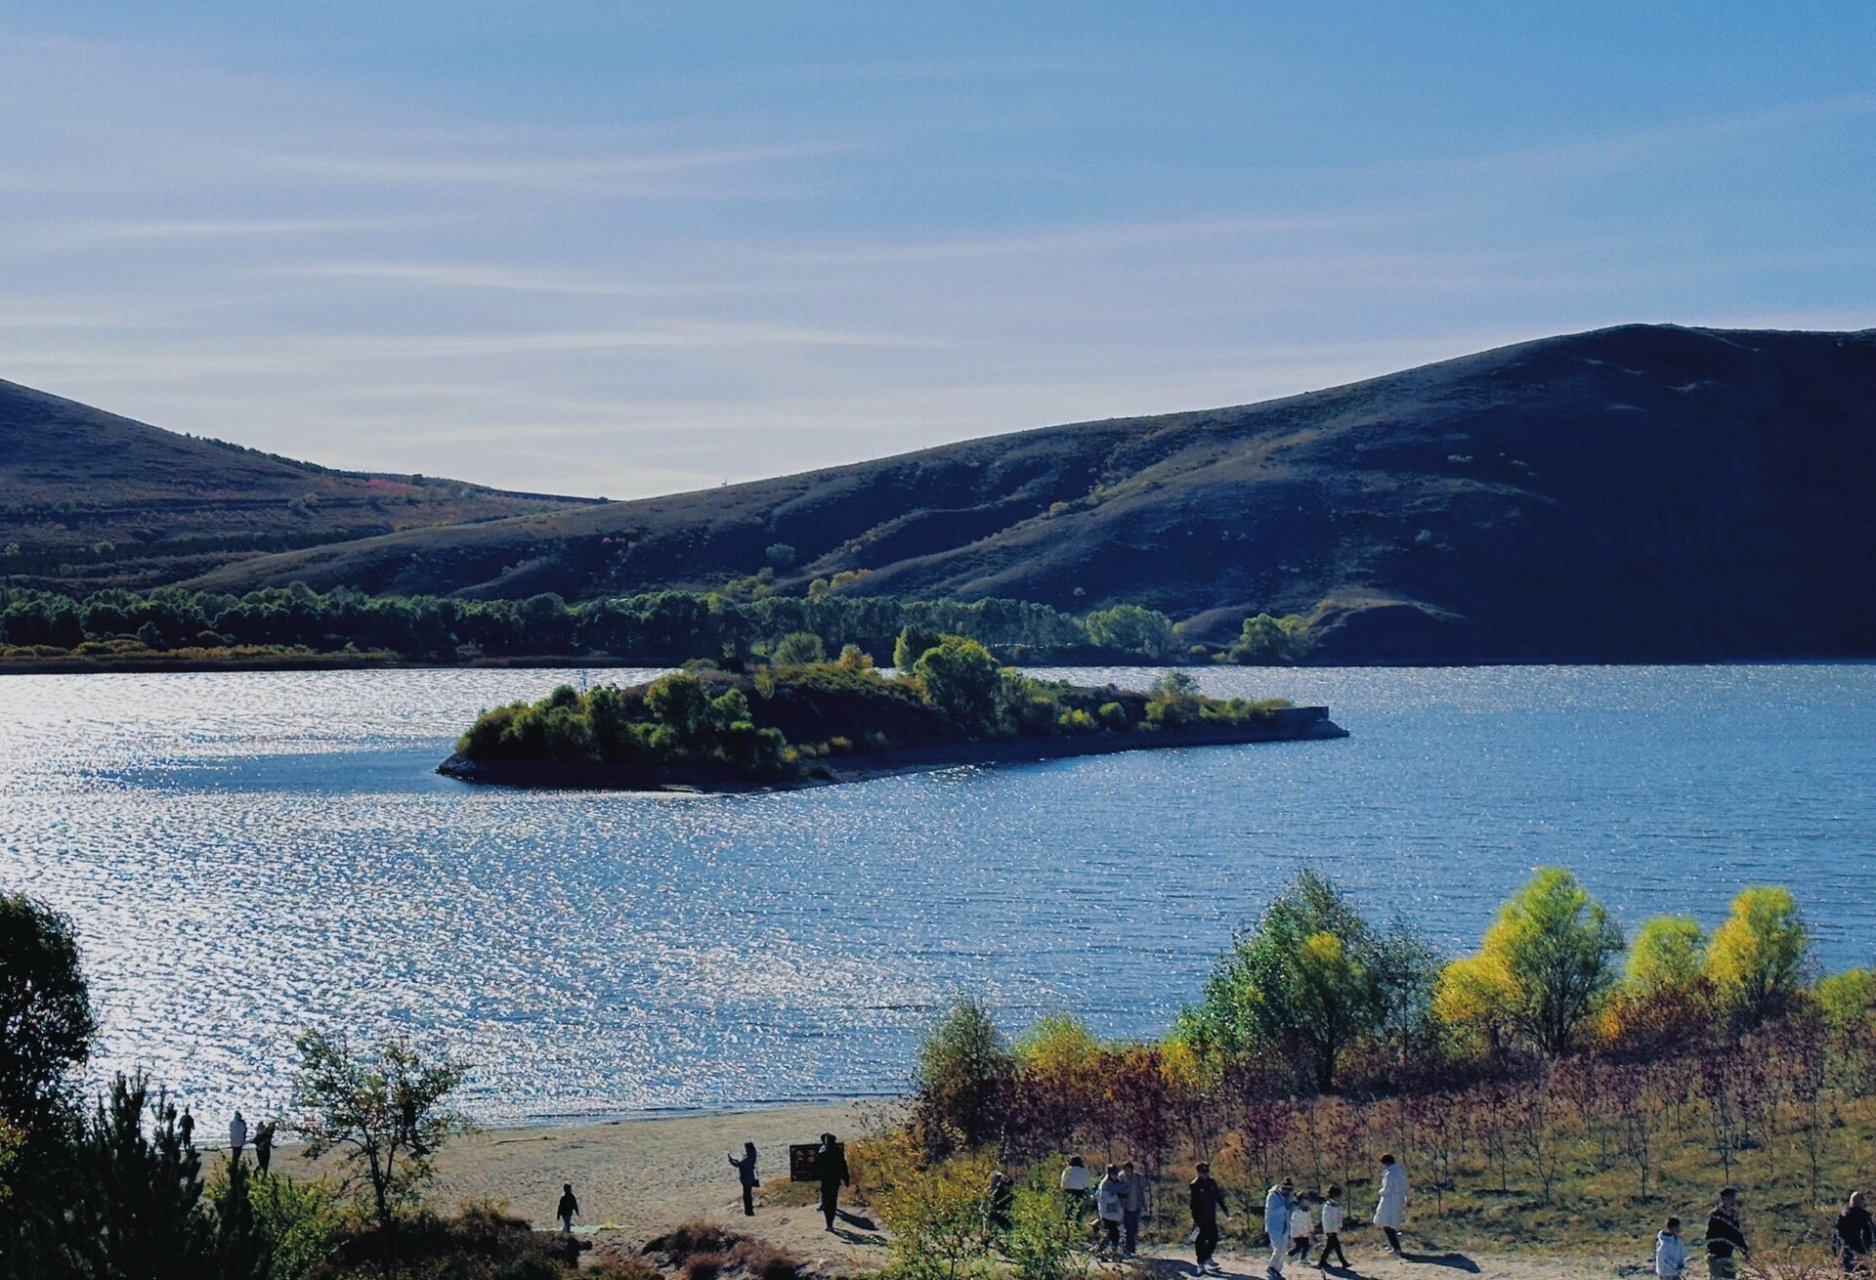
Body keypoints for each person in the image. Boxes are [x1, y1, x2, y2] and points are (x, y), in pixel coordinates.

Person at [1190, 1161, 1228, 1276]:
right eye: (1203, 1172)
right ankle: (1200, 1264)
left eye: (1207, 1172)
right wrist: (1196, 1220)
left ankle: (1206, 1258)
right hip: (1200, 1218)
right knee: (1200, 1241)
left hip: (1211, 1217)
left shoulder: (1211, 1183)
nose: (1206, 1174)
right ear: (1198, 1172)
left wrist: (1226, 1212)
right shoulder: (1195, 1185)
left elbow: (1218, 1198)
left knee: (1214, 1238)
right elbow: (1193, 1205)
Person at [1705, 1187, 1749, 1279]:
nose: (1732, 1200)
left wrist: (1744, 1250)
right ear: (1724, 1199)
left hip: (1728, 1254)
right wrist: (1710, 1251)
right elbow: (1710, 1235)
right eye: (1730, 1197)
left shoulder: (1734, 1215)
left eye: (1733, 1197)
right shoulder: (1716, 1215)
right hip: (1716, 1255)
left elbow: (1737, 1234)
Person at [813, 1132, 850, 1232]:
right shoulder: (838, 1152)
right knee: (833, 1200)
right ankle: (830, 1223)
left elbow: (816, 1167)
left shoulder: (822, 1152)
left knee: (826, 1201)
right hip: (835, 1180)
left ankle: (829, 1223)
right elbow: (843, 1166)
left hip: (825, 1180)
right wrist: (846, 1179)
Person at [1374, 1154, 1408, 1257]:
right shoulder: (1400, 1172)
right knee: (1392, 1225)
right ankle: (1392, 1246)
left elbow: (1387, 1189)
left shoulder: (1389, 1174)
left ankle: (1396, 1248)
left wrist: (1380, 1192)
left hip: (1389, 1202)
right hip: (1399, 1201)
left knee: (1387, 1225)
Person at [1836, 1192, 1874, 1275]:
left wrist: (1838, 1251)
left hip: (1846, 1253)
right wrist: (1869, 1249)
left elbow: (1837, 1235)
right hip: (1861, 1252)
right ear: (1860, 1201)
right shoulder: (1865, 1217)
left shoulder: (1843, 1216)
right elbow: (1870, 1234)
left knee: (1848, 1273)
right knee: (1863, 1274)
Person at [1265, 1178, 1294, 1278]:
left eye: (1289, 1189)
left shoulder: (1289, 1196)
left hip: (1285, 1226)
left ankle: (1277, 1270)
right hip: (1274, 1226)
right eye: (1285, 1188)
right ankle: (1271, 1267)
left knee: (1283, 1250)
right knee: (1278, 1249)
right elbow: (1273, 1211)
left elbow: (1291, 1210)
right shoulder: (1272, 1196)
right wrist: (1286, 1206)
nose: (1287, 1191)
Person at [1316, 1184, 1349, 1270]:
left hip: (1334, 1229)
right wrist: (1328, 1230)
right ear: (1334, 1195)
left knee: (1330, 1246)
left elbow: (1339, 1217)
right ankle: (1343, 1262)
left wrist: (1339, 1226)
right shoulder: (1328, 1207)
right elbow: (1326, 1220)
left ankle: (1322, 1262)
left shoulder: (1337, 1206)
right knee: (1336, 1246)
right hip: (1330, 1230)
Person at [1097, 1164, 1125, 1256]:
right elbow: (1108, 1199)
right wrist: (1118, 1195)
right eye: (1114, 1173)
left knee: (1113, 1234)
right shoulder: (1105, 1184)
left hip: (1114, 1213)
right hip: (1106, 1213)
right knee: (1112, 1234)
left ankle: (1111, 1251)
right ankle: (1101, 1250)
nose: (1115, 1175)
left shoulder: (1116, 1182)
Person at [1121, 1160, 1147, 1257]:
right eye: (1125, 1170)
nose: (1127, 1172)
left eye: (1129, 1170)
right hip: (1124, 1207)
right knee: (1128, 1228)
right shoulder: (1121, 1178)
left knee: (1134, 1228)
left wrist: (1144, 1206)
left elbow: (1141, 1192)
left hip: (1136, 1205)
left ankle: (1131, 1247)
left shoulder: (1137, 1178)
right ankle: (1129, 1249)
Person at [727, 1142, 759, 1217]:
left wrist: (732, 1161)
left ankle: (749, 1211)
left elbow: (739, 1164)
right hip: (749, 1178)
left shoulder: (749, 1157)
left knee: (747, 1195)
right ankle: (749, 1210)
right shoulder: (752, 1156)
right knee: (747, 1195)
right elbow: (741, 1164)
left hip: (747, 1178)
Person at [985, 1171, 1015, 1242]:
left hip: (995, 1210)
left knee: (1006, 1225)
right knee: (1005, 1225)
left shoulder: (998, 1187)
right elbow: (994, 1201)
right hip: (993, 1211)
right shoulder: (997, 1188)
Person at [1061, 1155, 1093, 1220]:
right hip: (1079, 1192)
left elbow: (1063, 1183)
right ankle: (1077, 1225)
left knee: (1068, 1210)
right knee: (1078, 1210)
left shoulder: (1067, 1170)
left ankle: (1067, 1225)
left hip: (1068, 1192)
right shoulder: (1084, 1170)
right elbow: (1089, 1183)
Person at [1287, 1190, 1314, 1262]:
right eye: (1304, 1199)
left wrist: (1311, 1229)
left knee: (1301, 1247)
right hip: (1298, 1234)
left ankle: (1292, 1255)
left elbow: (1309, 1221)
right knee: (1303, 1246)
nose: (1306, 1201)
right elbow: (1295, 1223)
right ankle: (1301, 1258)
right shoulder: (1297, 1212)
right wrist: (1300, 1232)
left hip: (1305, 1233)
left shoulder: (1307, 1211)